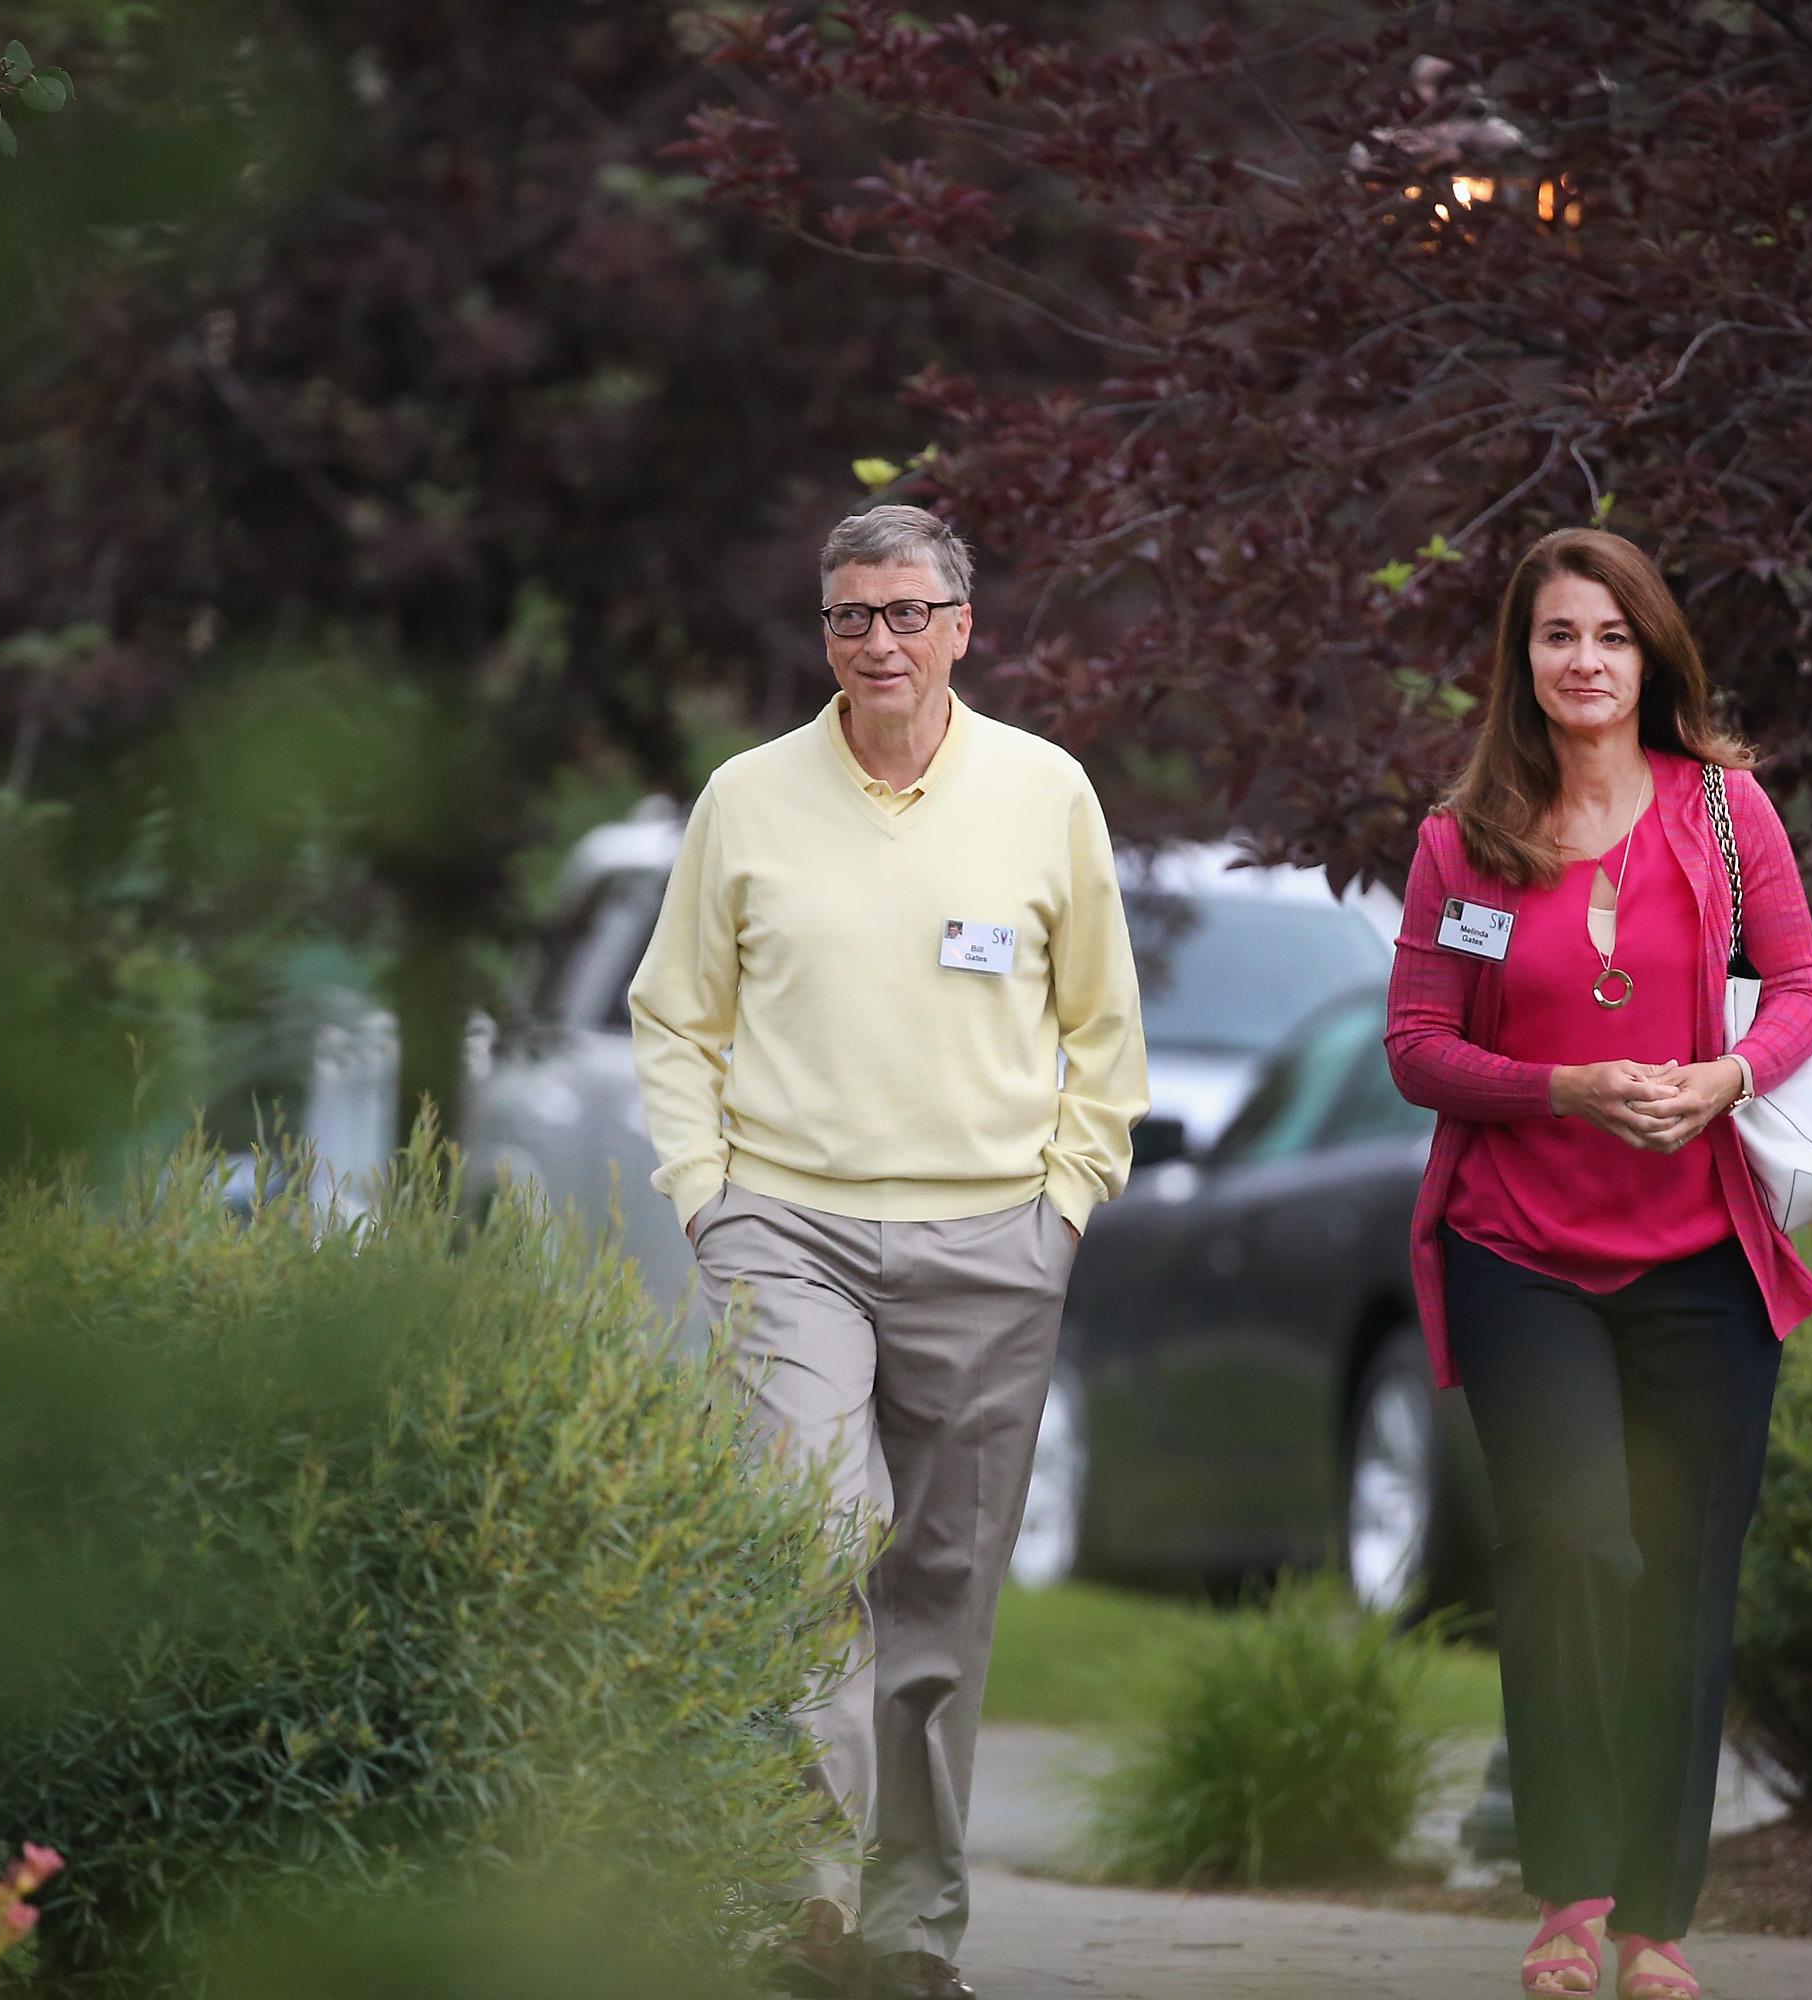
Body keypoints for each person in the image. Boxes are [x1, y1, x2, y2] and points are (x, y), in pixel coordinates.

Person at [627, 503, 1148, 2000]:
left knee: (941, 1596)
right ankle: (799, 1899)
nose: (880, 642)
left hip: (993, 1238)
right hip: (785, 1226)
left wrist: (1065, 1203)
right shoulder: (748, 796)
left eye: (909, 613)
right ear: (827, 631)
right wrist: (707, 1194)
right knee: (801, 1539)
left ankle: (909, 1935)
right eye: (853, 616)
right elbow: (676, 1016)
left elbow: (1105, 1032)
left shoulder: (1045, 793)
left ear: (962, 629)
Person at [1383, 528, 1812, 2000]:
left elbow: (1804, 990)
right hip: (1522, 1249)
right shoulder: (1469, 838)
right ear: (1523, 662)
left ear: (1653, 657)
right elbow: (1418, 1048)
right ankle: (1566, 1895)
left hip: (1701, 1254)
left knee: (1685, 1578)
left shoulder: (1723, 811)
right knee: (1576, 1541)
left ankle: (1655, 1923)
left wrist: (1727, 1081)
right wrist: (1563, 1089)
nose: (1585, 662)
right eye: (1558, 636)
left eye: (1612, 637)